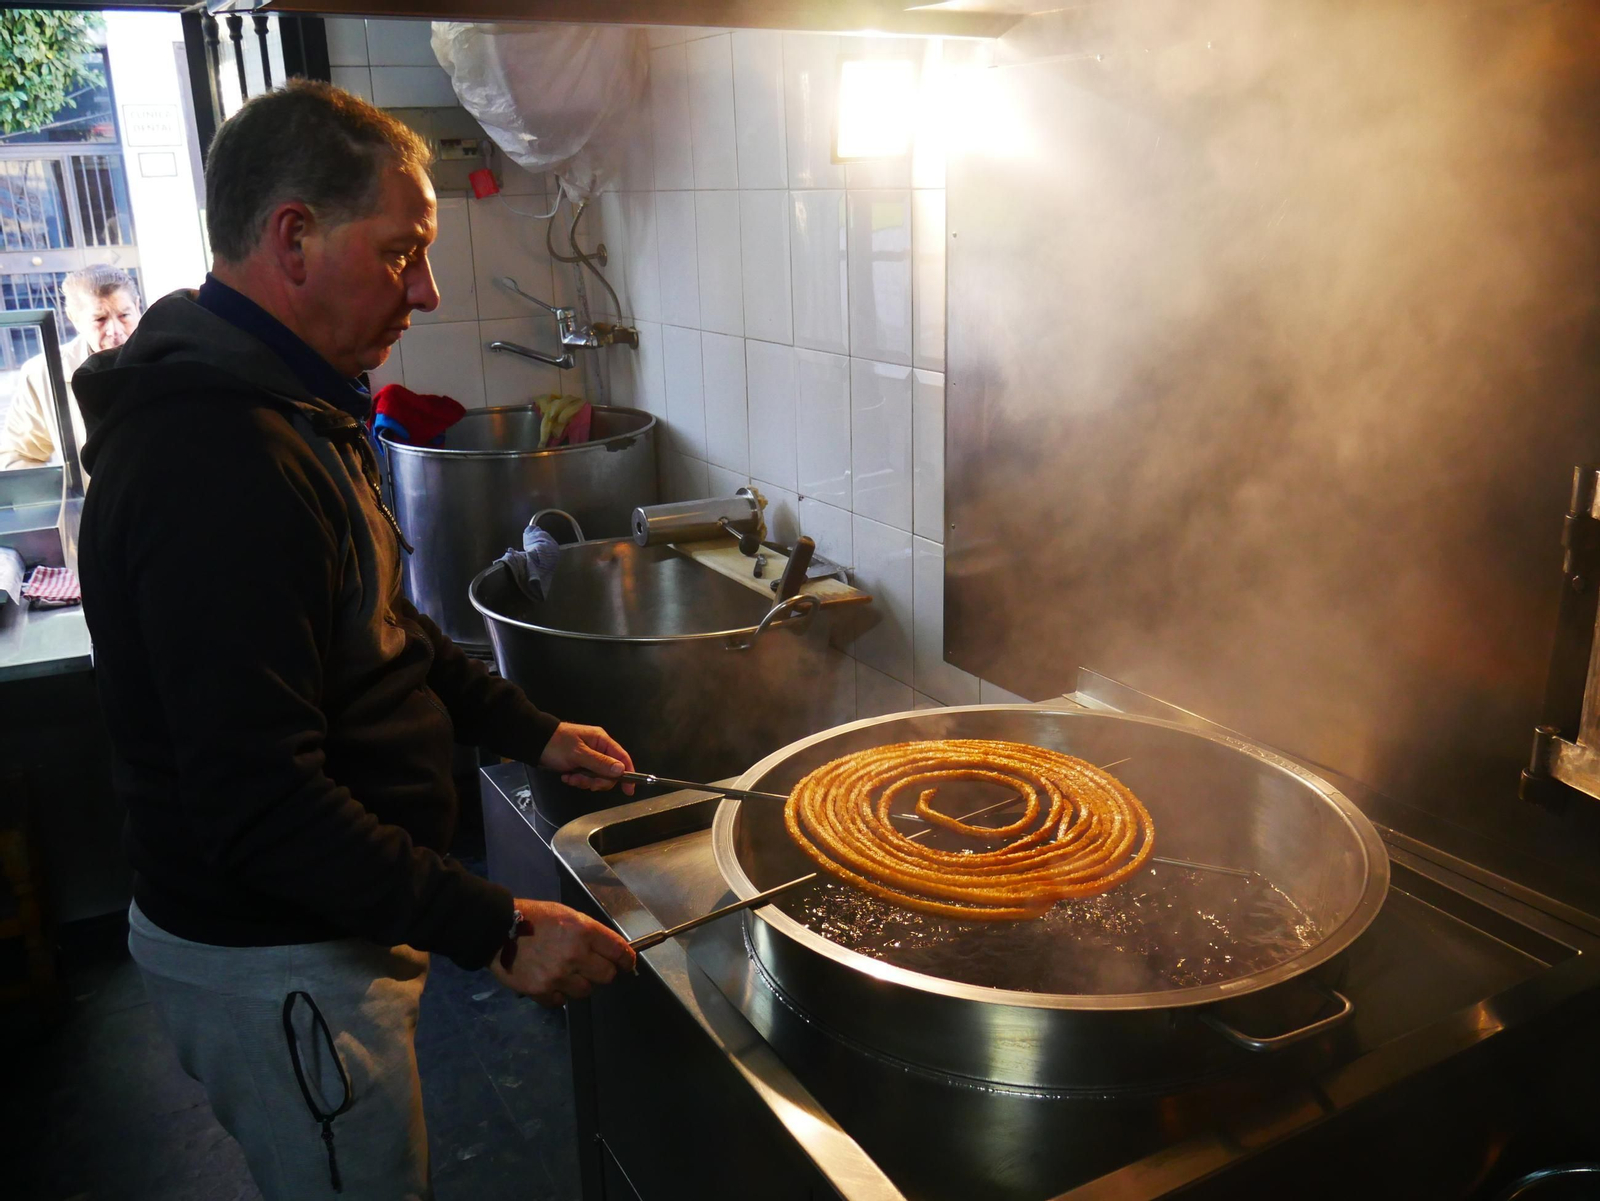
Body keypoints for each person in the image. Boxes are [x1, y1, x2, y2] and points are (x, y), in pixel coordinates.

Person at [73, 81, 636, 1201]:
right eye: (400, 253)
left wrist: (532, 729)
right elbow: (258, 803)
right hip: (276, 955)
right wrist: (496, 925)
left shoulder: (292, 409)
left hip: (330, 925)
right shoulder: (217, 460)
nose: (424, 291)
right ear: (292, 237)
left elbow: (385, 624)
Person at [0, 264, 142, 469]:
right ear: (74, 319)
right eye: (100, 319)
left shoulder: (169, 360)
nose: (115, 331)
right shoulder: (44, 374)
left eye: (124, 316)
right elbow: (18, 455)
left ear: (138, 307)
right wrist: (68, 497)